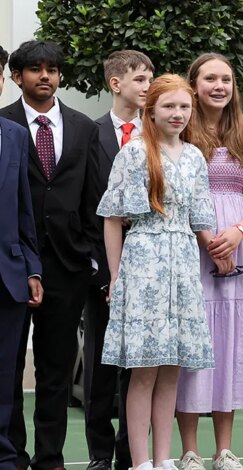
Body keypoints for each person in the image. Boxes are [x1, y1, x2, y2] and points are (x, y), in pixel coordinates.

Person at [97, 74, 216, 470]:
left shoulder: (196, 157)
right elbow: (112, 218)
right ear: (152, 109)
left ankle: (164, 459)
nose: (178, 114)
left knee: (171, 371)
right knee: (143, 371)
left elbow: (201, 222)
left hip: (182, 266)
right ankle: (140, 461)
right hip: (143, 263)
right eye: (169, 106)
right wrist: (116, 276)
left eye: (184, 106)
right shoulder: (133, 152)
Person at [0, 40, 101, 470]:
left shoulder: (83, 127)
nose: (46, 76)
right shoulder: (3, 125)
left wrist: (93, 259)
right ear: (17, 76)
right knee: (7, 369)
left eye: (53, 69)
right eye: (36, 69)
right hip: (13, 266)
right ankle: (14, 455)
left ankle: (50, 458)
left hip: (67, 265)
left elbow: (95, 196)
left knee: (56, 370)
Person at [175, 52, 243, 470]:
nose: (219, 86)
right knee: (193, 343)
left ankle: (225, 450)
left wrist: (236, 234)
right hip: (191, 244)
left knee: (231, 343)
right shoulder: (181, 130)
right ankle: (190, 450)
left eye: (226, 79)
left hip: (238, 242)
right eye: (210, 78)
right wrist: (208, 237)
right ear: (194, 84)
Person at [87, 49, 154, 470]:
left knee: (141, 366)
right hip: (99, 266)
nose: (149, 87)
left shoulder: (160, 134)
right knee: (100, 362)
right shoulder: (87, 133)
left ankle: (135, 454)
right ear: (116, 84)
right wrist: (96, 265)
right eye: (141, 80)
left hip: (150, 265)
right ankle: (99, 454)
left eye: (151, 79)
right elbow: (83, 202)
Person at [0, 43, 43, 470]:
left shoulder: (12, 134)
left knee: (4, 378)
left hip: (7, 275)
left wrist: (32, 267)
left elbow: (23, 207)